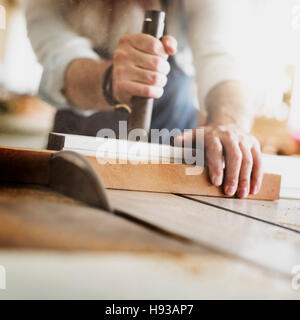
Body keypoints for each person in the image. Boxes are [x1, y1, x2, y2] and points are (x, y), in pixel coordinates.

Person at [25, 0, 263, 198]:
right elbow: (59, 57)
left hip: (173, 155)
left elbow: (222, 61)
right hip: (77, 154)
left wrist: (228, 122)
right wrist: (111, 80)